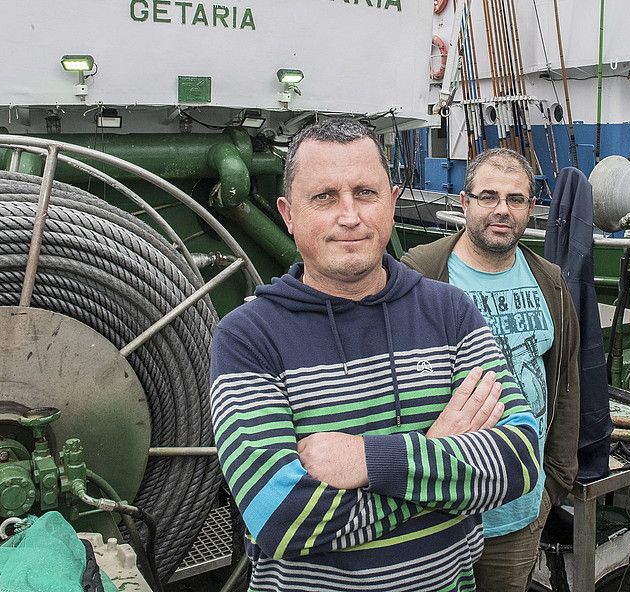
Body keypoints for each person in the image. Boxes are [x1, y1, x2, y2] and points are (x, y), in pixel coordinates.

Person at [209, 118, 541, 592]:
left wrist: (369, 460)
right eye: (324, 197)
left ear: (392, 200)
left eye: (365, 193)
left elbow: (519, 460)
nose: (349, 215)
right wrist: (438, 449)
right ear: (288, 213)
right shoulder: (248, 338)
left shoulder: (450, 312)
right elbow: (281, 518)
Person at [403, 147, 580, 592]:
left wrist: (554, 482)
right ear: (464, 204)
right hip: (441, 507)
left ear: (530, 208)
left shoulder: (550, 282)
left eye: (515, 199)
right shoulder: (422, 275)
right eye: (488, 196)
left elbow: (567, 382)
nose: (502, 209)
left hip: (520, 507)